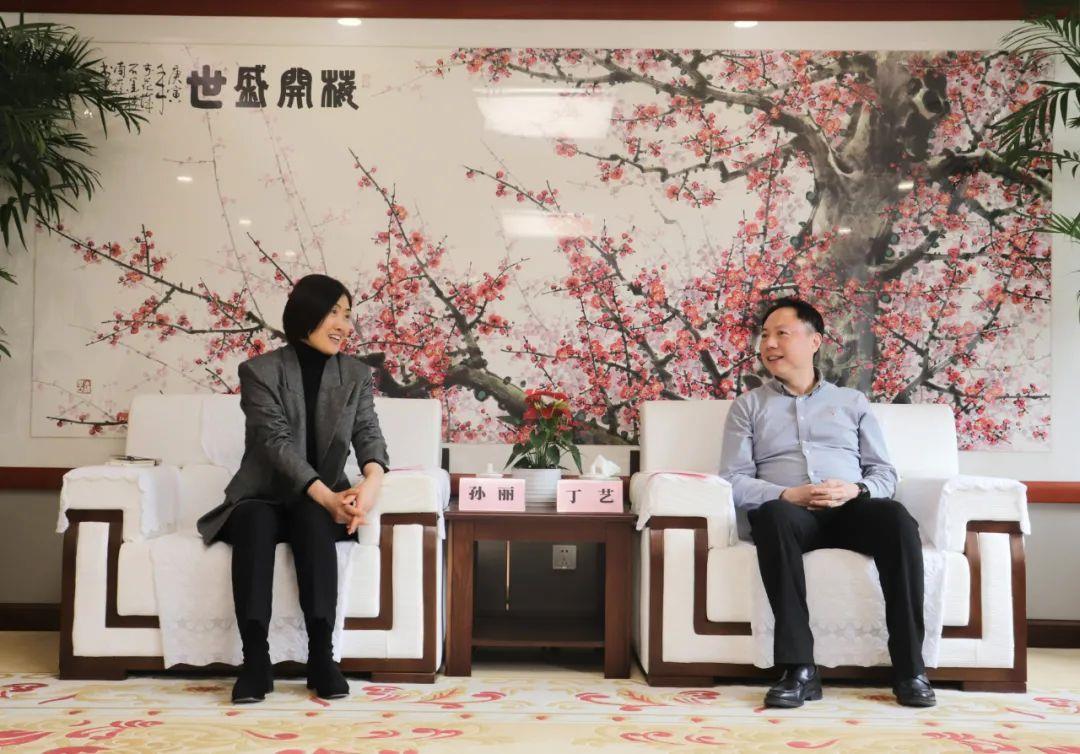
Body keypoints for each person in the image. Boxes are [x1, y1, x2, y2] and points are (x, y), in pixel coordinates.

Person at [719, 297, 935, 709]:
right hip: (791, 516)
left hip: (851, 511)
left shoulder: (852, 403)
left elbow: (885, 474)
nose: (769, 344)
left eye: (782, 333)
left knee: (896, 518)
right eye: (765, 335)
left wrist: (856, 490)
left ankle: (911, 669)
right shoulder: (748, 406)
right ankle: (799, 670)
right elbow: (731, 480)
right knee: (772, 516)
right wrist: (786, 494)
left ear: (814, 341)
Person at [196, 274, 389, 703]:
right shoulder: (260, 371)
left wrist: (372, 480)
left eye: (347, 315)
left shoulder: (356, 374)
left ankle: (322, 658)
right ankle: (255, 662)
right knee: (254, 520)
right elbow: (275, 443)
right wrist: (328, 497)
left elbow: (368, 432)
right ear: (306, 314)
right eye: (333, 313)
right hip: (262, 495)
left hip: (317, 506)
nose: (343, 325)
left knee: (311, 515)